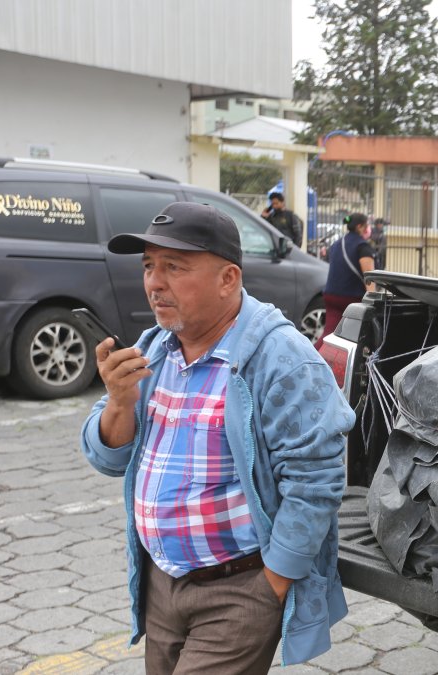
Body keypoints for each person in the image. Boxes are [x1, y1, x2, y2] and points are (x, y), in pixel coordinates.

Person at [80, 202, 354, 673]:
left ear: (228, 279)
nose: (154, 283)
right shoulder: (154, 348)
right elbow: (106, 458)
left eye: (173, 267)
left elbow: (316, 480)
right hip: (161, 581)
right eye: (148, 266)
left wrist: (274, 581)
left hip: (239, 589)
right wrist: (120, 402)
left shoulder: (283, 359)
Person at [320, 213, 376, 345]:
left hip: (331, 296)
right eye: (367, 225)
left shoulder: (336, 244)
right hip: (352, 299)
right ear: (360, 227)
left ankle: (313, 354)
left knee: (328, 337)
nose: (368, 228)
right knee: (354, 341)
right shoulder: (362, 247)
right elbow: (369, 278)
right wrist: (374, 301)